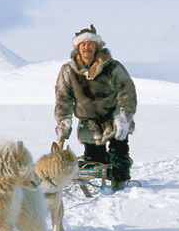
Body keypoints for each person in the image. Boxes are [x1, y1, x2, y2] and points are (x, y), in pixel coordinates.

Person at [54, 24, 137, 191]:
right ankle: (106, 170)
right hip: (89, 121)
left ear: (97, 47)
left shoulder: (112, 67)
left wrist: (123, 117)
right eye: (83, 44)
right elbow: (63, 98)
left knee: (118, 154)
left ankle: (121, 183)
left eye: (90, 44)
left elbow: (126, 91)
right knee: (95, 159)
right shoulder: (68, 70)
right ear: (77, 48)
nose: (87, 47)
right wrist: (64, 123)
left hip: (113, 116)